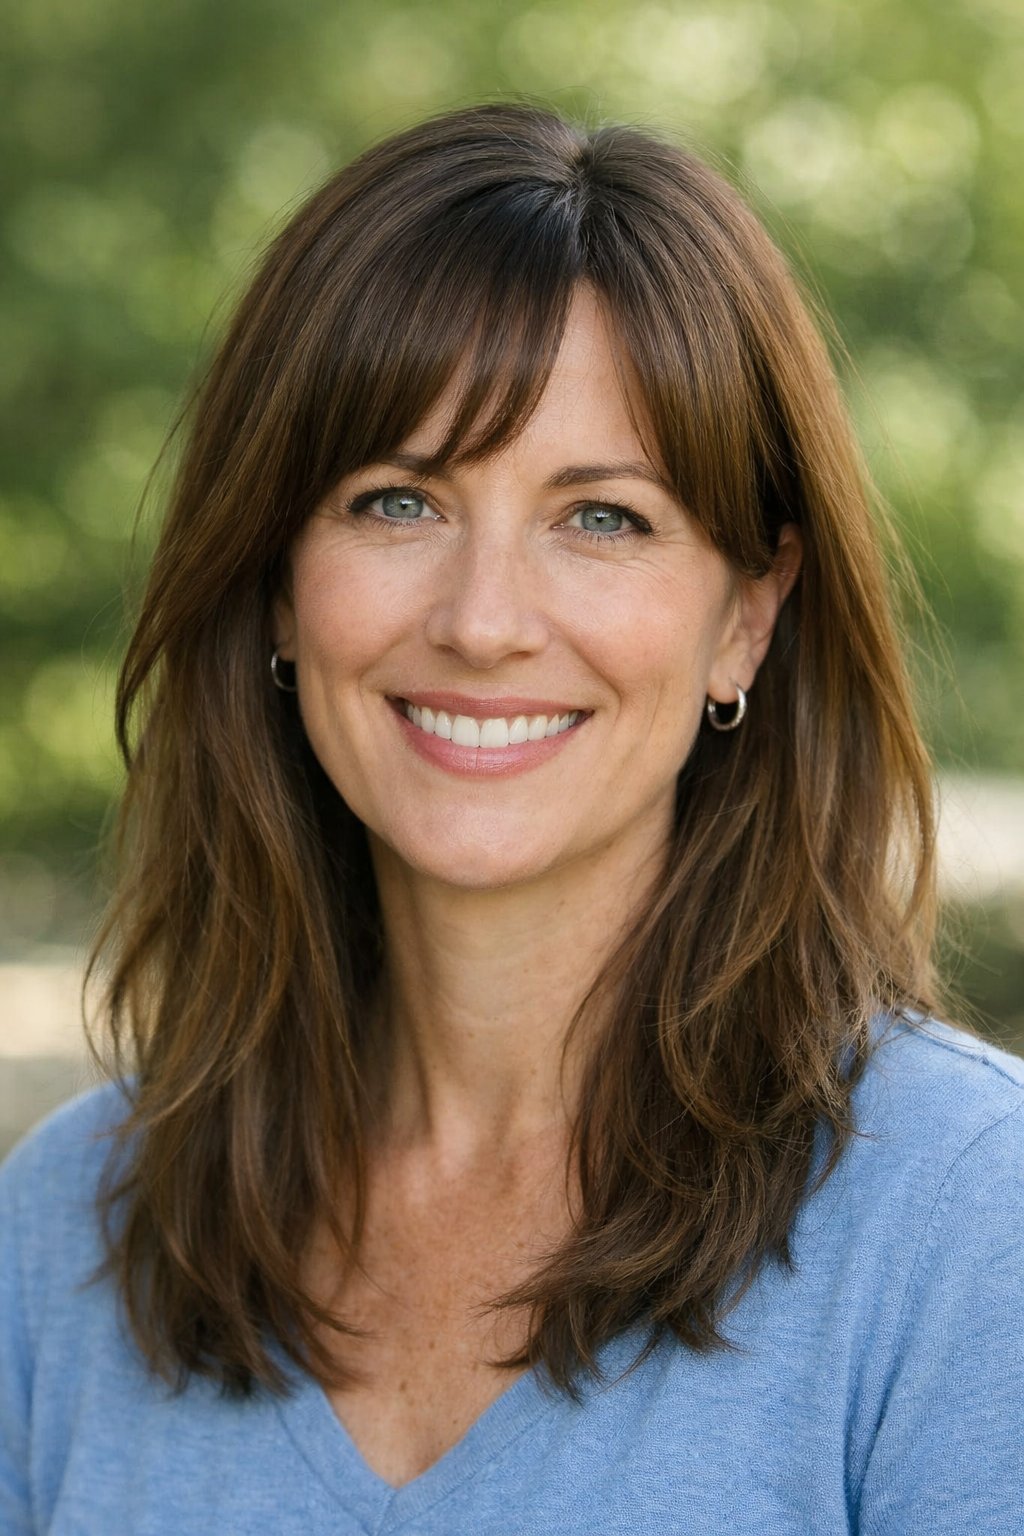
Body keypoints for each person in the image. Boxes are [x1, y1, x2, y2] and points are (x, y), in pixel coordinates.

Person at [1, 102, 1022, 1535]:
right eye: (396, 502)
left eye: (601, 517)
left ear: (748, 613)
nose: (483, 622)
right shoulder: (65, 1234)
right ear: (278, 582)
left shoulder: (967, 1224)